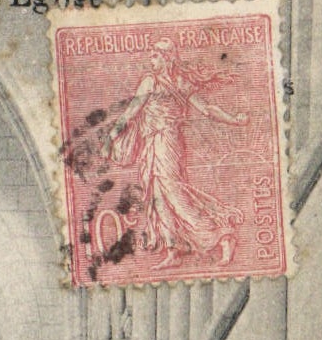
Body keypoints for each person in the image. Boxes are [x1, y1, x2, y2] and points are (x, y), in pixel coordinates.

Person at [104, 37, 248, 268]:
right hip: (152, 145)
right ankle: (174, 250)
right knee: (157, 196)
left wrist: (234, 120)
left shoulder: (175, 82)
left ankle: (221, 236)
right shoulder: (151, 82)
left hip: (167, 142)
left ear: (167, 58)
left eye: (155, 56)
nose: (151, 60)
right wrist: (111, 137)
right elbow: (130, 113)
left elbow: (207, 109)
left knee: (173, 193)